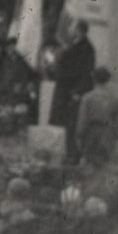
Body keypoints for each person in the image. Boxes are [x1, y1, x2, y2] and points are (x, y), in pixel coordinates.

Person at [50, 20, 95, 163]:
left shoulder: (87, 48)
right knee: (65, 124)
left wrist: (78, 92)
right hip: (64, 90)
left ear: (79, 30)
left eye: (72, 27)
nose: (70, 29)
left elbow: (87, 72)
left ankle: (73, 156)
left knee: (73, 125)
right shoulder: (72, 45)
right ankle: (68, 154)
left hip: (73, 92)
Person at [76, 67, 118, 167]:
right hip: (107, 133)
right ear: (108, 80)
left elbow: (82, 120)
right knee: (104, 164)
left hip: (91, 133)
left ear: (94, 79)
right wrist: (114, 138)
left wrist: (79, 136)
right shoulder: (114, 99)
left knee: (89, 163)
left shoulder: (88, 97)